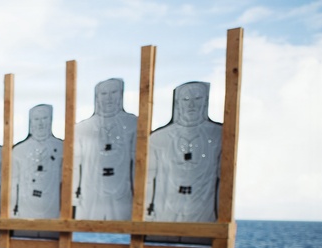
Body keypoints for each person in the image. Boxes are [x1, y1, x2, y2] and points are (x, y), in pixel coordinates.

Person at [147, 81, 222, 223]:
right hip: (166, 212)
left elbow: (223, 180)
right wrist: (148, 214)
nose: (191, 105)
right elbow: (149, 180)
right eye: (186, 99)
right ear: (178, 103)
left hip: (204, 211)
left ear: (205, 102)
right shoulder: (159, 139)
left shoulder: (217, 136)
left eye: (197, 99)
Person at [72, 78, 138, 220]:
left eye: (113, 92)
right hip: (90, 191)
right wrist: (73, 195)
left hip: (121, 191)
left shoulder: (132, 124)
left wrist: (138, 195)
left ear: (120, 94)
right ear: (97, 97)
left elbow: (138, 164)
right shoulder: (83, 128)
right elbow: (75, 165)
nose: (108, 98)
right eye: (103, 94)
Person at [11, 104, 63, 219]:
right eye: (36, 119)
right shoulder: (19, 150)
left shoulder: (61, 148)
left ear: (50, 120)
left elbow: (65, 183)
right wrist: (12, 210)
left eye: (44, 118)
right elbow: (13, 184)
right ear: (31, 122)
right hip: (24, 211)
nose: (40, 123)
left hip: (53, 209)